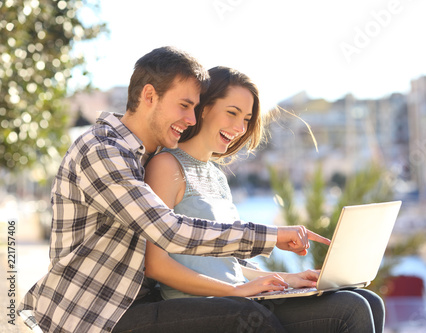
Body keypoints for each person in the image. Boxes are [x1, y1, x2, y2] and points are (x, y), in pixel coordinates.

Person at [17, 46, 330, 333]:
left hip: (139, 303)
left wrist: (285, 281)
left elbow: (207, 256)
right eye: (184, 106)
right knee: (242, 316)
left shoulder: (145, 156)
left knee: (351, 305)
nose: (191, 119)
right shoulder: (102, 151)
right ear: (149, 96)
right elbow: (168, 231)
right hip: (94, 315)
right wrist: (272, 236)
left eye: (195, 107)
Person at [140, 66, 386, 332]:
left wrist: (290, 279)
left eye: (246, 118)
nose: (239, 127)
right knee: (351, 309)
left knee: (370, 301)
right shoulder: (165, 165)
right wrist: (237, 291)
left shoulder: (217, 176)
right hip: (202, 309)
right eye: (232, 113)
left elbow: (228, 265)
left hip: (236, 297)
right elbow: (156, 265)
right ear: (204, 108)